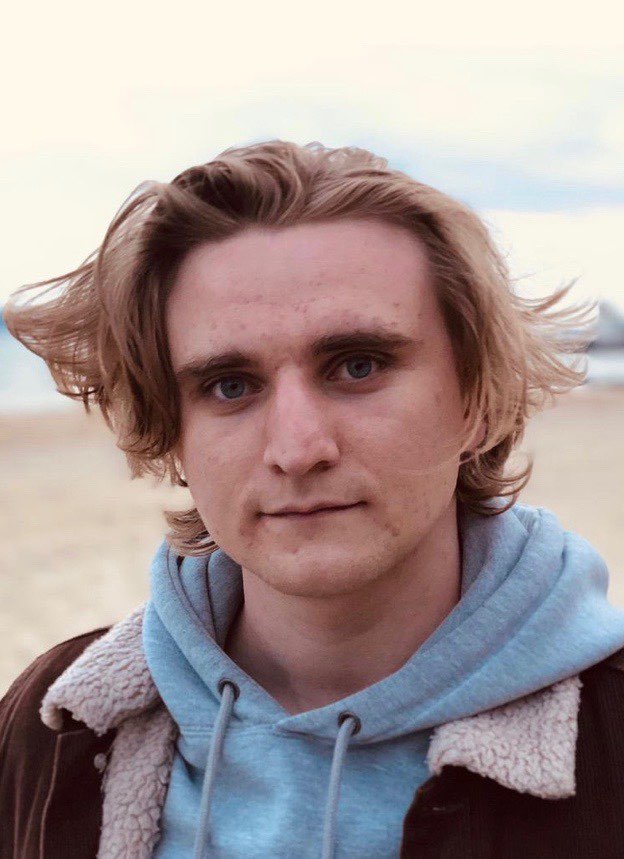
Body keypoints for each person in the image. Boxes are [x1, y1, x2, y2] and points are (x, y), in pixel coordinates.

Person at [2, 140, 624, 859]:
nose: (297, 449)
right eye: (230, 386)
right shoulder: (52, 730)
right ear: (173, 434)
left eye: (358, 366)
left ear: (477, 401)